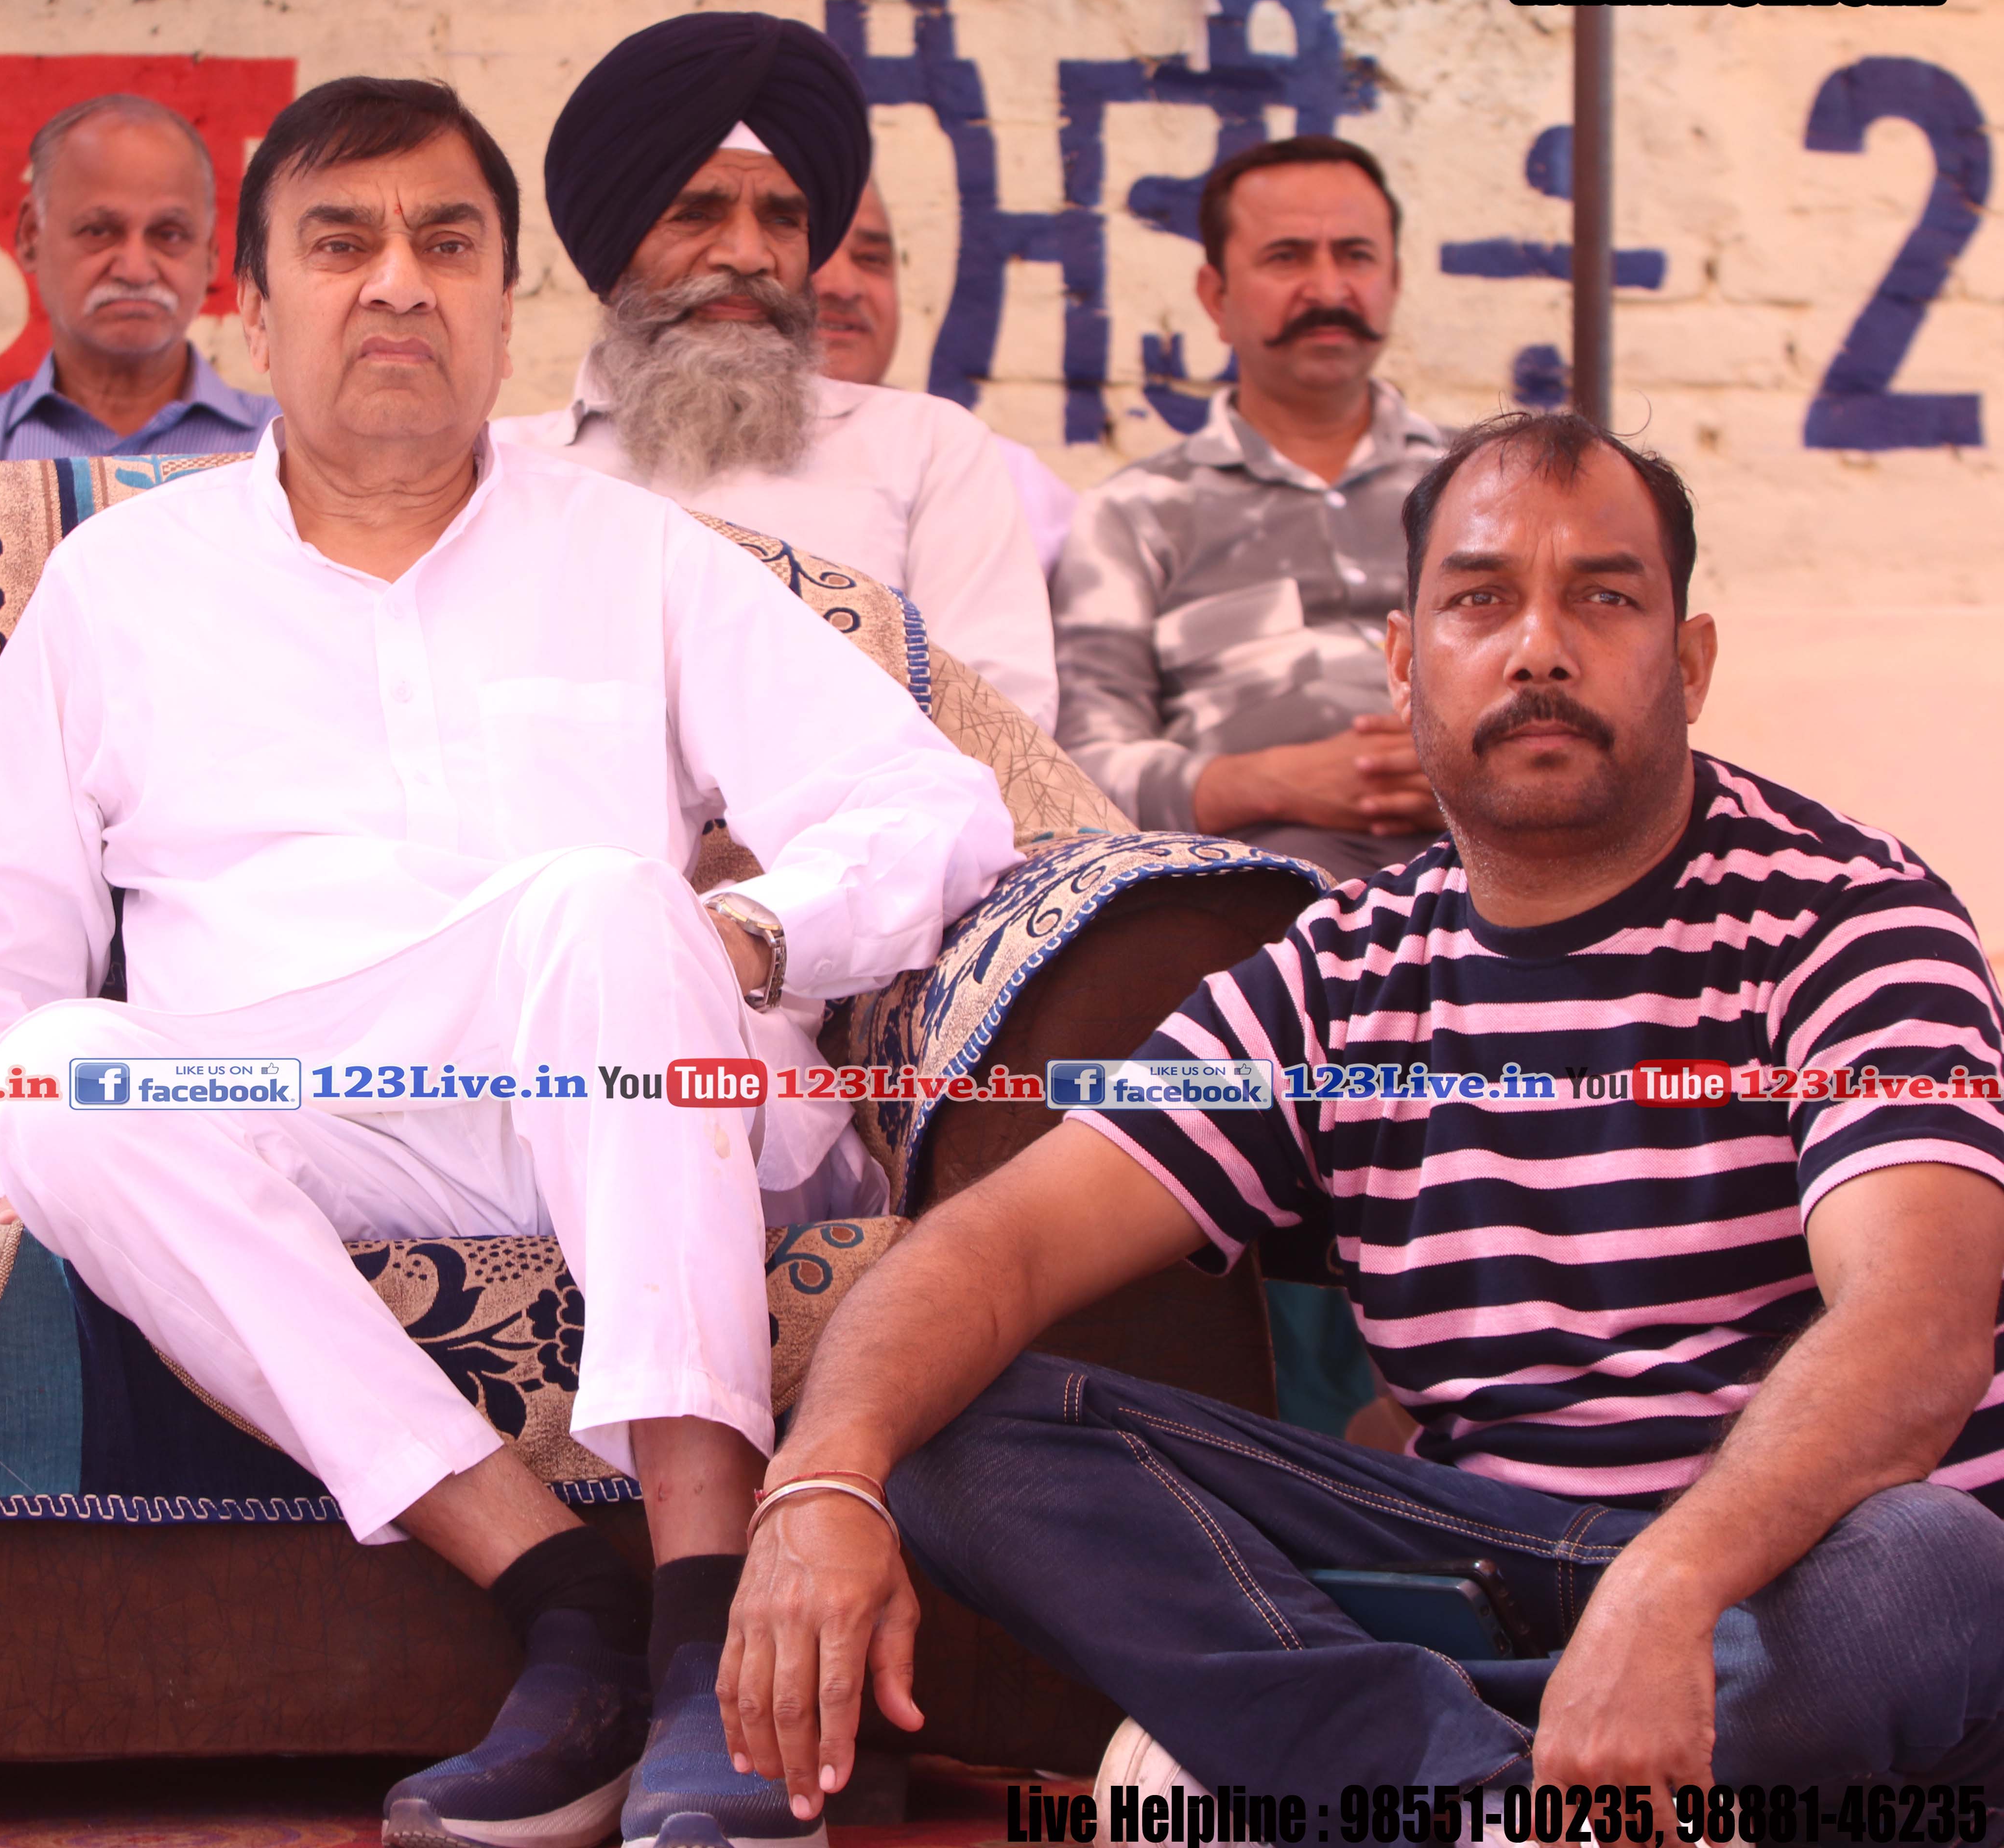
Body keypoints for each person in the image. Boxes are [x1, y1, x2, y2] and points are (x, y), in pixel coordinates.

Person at [0, 77, 1017, 1848]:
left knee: (602, 902)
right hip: (279, 1128)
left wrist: (747, 930)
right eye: (340, 243)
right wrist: (66, 1182)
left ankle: (700, 1611)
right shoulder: (121, 585)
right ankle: (557, 1591)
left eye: (444, 243)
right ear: (256, 309)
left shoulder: (633, 552)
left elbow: (929, 808)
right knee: (47, 1069)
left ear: (503, 302)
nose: (396, 282)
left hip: (610, 1089)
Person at [718, 410, 2004, 1798]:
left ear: (1687, 664)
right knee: (949, 1425)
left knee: (1930, 1566)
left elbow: (1917, 1326)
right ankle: (1479, 1799)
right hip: (1493, 1561)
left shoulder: (1849, 917)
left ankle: (1367, 1777)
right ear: (1404, 662)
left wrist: (1675, 1582)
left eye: (1605, 598)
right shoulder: (1342, 969)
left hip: (1782, 1581)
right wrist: (823, 1479)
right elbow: (998, 1245)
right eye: (1480, 599)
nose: (1540, 648)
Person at [492, 13, 1058, 731]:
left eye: (783, 220)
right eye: (697, 214)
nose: (748, 255)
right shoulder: (501, 471)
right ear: (616, 244)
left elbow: (1002, 731)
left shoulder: (928, 449)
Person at [1050, 133, 1451, 888]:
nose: (1328, 289)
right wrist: (1271, 783)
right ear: (1216, 297)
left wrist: (1476, 770)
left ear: (1395, 280)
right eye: (1287, 258)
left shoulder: (1486, 488)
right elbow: (1080, 772)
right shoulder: (1137, 516)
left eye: (1356, 256)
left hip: (1492, 873)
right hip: (1244, 893)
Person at [0, 92, 275, 465]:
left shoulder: (287, 453)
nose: (135, 270)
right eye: (99, 231)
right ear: (31, 236)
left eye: (169, 235)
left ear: (211, 254)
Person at [812, 179, 1077, 581]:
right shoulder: (707, 474)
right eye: (814, 254)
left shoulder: (1003, 474)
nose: (844, 287)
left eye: (870, 259)